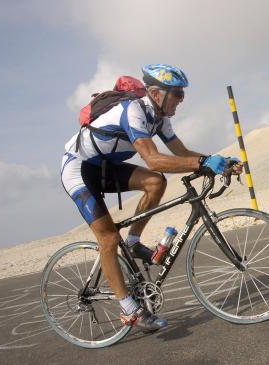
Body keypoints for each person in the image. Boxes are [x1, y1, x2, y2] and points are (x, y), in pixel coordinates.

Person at [60, 64, 242, 332]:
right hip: (79, 169)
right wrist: (202, 162)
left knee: (156, 183)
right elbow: (153, 159)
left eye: (182, 94)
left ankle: (133, 242)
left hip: (105, 168)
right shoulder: (133, 111)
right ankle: (129, 309)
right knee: (109, 238)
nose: (182, 99)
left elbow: (181, 152)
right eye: (177, 94)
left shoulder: (160, 119)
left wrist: (219, 161)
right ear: (156, 94)